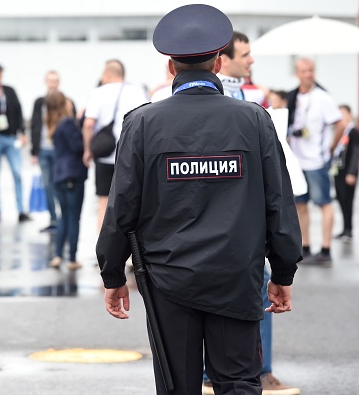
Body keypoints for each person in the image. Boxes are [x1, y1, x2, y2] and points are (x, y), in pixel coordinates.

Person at [96, 5, 302, 395]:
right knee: (239, 383)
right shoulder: (255, 120)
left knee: (178, 386)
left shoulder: (142, 124)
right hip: (236, 275)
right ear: (220, 63)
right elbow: (279, 201)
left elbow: (121, 207)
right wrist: (283, 270)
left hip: (167, 279)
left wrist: (111, 273)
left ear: (171, 68)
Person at [198, 31, 302, 395]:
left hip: (233, 224)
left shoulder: (241, 96)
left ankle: (236, 373)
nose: (252, 60)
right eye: (245, 54)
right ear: (221, 60)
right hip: (233, 225)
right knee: (252, 295)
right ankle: (255, 373)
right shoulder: (224, 99)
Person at [287, 58, 345, 263]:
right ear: (297, 73)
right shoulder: (292, 97)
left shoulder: (322, 97)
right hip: (297, 162)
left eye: (311, 70)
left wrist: (330, 147)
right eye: (303, 71)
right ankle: (307, 247)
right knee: (300, 205)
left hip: (317, 161)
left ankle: (326, 250)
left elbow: (340, 123)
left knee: (324, 203)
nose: (308, 74)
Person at [82, 59, 148, 231]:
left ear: (108, 74)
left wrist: (88, 150)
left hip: (104, 156)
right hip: (130, 156)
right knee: (132, 203)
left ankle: (105, 253)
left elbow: (88, 124)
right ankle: (131, 253)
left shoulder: (98, 92)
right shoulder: (137, 91)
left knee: (103, 203)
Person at [45, 91, 87, 271]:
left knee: (63, 215)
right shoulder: (68, 122)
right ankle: (72, 258)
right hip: (72, 174)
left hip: (58, 175)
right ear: (63, 103)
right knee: (73, 217)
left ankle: (57, 255)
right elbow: (78, 146)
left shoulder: (53, 124)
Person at [0, 63, 31, 223]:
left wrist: (22, 132)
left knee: (17, 173)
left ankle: (21, 210)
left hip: (11, 137)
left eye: (0, 73)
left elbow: (18, 111)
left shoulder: (9, 91)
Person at [30, 71, 73, 233]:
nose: (52, 84)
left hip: (58, 151)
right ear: (45, 82)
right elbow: (35, 125)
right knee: (48, 185)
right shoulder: (39, 103)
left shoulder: (65, 102)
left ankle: (64, 217)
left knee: (60, 185)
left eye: (55, 81)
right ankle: (53, 219)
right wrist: (34, 151)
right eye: (50, 81)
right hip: (43, 149)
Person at [332, 105, 359, 242]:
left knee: (348, 201)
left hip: (347, 172)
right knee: (341, 200)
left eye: (343, 113)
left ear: (349, 114)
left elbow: (355, 152)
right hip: (338, 171)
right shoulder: (341, 132)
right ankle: (344, 229)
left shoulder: (353, 131)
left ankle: (349, 230)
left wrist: (352, 173)